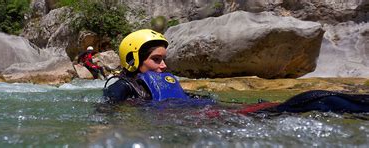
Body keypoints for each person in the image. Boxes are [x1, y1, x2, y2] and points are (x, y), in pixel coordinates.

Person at [103, 29, 369, 113]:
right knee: (313, 101)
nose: (164, 66)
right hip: (204, 120)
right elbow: (105, 108)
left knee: (305, 101)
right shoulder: (124, 86)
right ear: (132, 59)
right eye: (156, 60)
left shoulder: (159, 84)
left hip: (208, 112)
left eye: (164, 59)